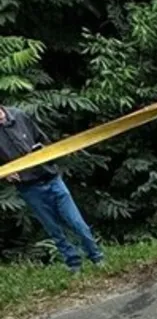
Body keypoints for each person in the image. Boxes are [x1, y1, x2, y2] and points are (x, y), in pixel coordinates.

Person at [0, 105, 104, 272]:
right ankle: (74, 265)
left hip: (51, 178)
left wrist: (41, 150)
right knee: (54, 229)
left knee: (76, 223)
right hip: (28, 187)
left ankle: (97, 257)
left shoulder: (19, 115)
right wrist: (6, 174)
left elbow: (44, 140)